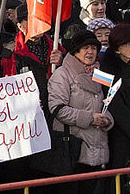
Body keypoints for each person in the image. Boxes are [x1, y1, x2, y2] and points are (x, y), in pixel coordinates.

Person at [48, 30, 114, 194]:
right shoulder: (62, 74)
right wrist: (90, 118)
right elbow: (57, 109)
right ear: (76, 50)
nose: (90, 52)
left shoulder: (98, 74)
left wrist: (107, 119)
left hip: (96, 145)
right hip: (72, 149)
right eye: (86, 48)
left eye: (93, 48)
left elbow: (106, 102)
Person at [100, 24, 130, 171]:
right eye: (128, 44)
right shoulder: (104, 67)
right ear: (118, 49)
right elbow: (112, 102)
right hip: (116, 130)